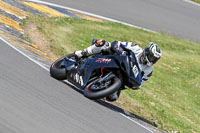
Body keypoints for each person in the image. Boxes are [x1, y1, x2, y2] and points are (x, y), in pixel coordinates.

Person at [73, 39, 162, 102]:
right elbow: (117, 43)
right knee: (104, 44)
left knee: (113, 97)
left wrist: (135, 85)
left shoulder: (148, 70)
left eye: (154, 59)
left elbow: (140, 83)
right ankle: (81, 53)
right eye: (151, 57)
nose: (152, 60)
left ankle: (99, 85)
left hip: (123, 77)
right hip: (114, 58)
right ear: (146, 52)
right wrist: (120, 51)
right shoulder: (135, 48)